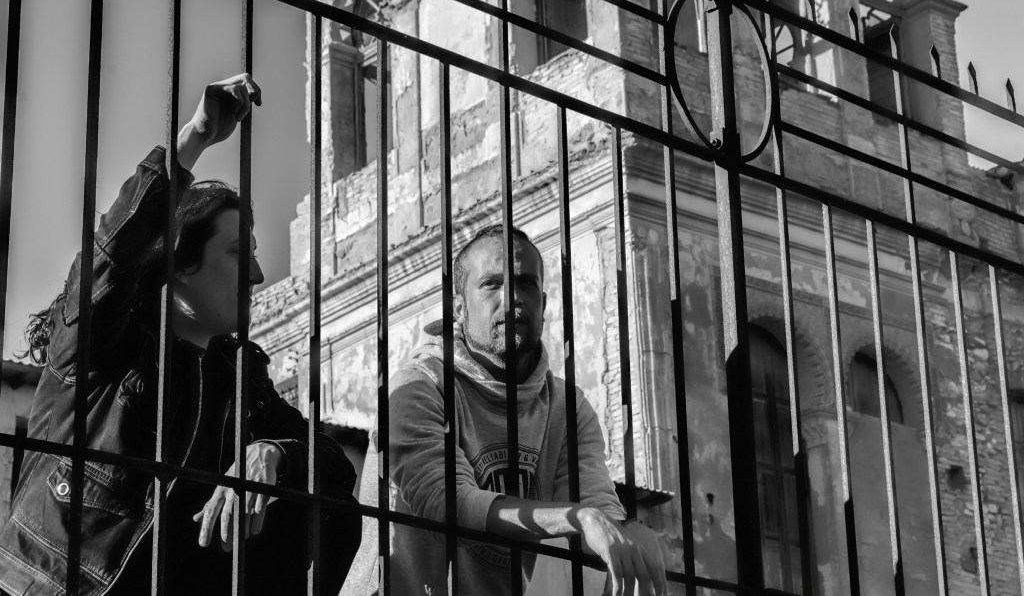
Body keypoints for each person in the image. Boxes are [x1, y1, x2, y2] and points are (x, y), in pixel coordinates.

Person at [0, 75, 359, 596]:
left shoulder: (239, 382)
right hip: (52, 588)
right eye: (238, 254)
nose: (258, 276)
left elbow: (335, 465)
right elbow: (109, 259)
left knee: (328, 508)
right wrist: (194, 139)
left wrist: (274, 453)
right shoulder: (103, 347)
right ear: (181, 264)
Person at [373, 224, 667, 596]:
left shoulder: (567, 406)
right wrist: (577, 518)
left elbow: (595, 507)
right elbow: (447, 503)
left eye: (526, 283)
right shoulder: (418, 385)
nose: (512, 297)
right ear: (459, 308)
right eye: (492, 284)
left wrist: (631, 529)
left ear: (543, 303)